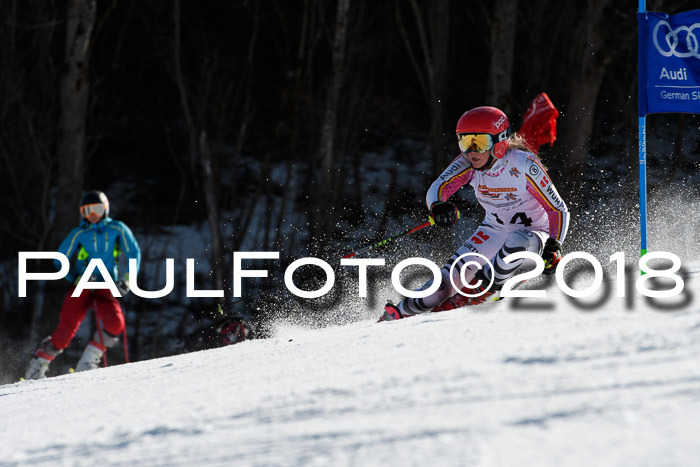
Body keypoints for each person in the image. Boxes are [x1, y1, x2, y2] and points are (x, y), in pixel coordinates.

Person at [379, 106, 569, 321]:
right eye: (465, 142)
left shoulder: (524, 165)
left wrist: (555, 246)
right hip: (494, 231)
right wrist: (438, 206)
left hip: (535, 237)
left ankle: (473, 295)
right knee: (444, 283)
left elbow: (558, 209)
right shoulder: (468, 165)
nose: (472, 151)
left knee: (518, 239)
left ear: (499, 142)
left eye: (480, 143)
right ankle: (398, 314)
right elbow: (438, 187)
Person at [24, 191, 141, 379]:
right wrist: (75, 278)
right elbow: (59, 260)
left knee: (115, 323)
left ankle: (87, 362)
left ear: (105, 209)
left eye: (97, 209)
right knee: (66, 328)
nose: (92, 215)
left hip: (106, 285)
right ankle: (38, 366)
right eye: (87, 211)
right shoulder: (79, 233)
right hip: (83, 285)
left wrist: (127, 279)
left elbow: (133, 252)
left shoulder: (117, 229)